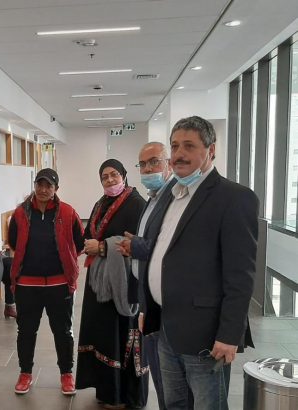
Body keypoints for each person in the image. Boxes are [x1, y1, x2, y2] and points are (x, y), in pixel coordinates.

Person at [142, 116, 257, 409]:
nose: (179, 154)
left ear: (211, 150)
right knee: (173, 403)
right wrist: (148, 306)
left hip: (205, 336)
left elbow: (240, 276)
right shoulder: (172, 194)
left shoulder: (234, 198)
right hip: (166, 327)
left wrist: (229, 335)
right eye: (174, 146)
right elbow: (160, 254)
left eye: (189, 146)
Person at [75, 159, 148, 409]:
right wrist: (89, 244)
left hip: (123, 283)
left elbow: (139, 244)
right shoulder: (101, 203)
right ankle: (107, 391)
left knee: (120, 336)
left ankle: (123, 396)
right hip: (100, 280)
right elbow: (91, 234)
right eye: (104, 177)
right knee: (103, 335)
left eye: (114, 175)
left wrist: (103, 247)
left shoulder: (136, 204)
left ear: (124, 175)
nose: (109, 180)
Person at [7, 168, 85, 395]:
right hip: (26, 285)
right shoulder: (20, 213)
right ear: (34, 186)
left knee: (63, 331)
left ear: (56, 189)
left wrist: (66, 264)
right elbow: (13, 242)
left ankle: (67, 374)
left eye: (48, 185)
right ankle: (25, 373)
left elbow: (79, 243)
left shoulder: (68, 212)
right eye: (39, 184)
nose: (43, 189)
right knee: (26, 331)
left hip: (59, 284)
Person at [117, 142, 176, 410]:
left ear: (168, 164)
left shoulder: (174, 198)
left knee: (170, 379)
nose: (148, 169)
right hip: (147, 299)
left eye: (154, 162)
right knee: (161, 375)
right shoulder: (153, 197)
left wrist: (136, 246)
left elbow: (172, 247)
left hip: (165, 301)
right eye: (142, 164)